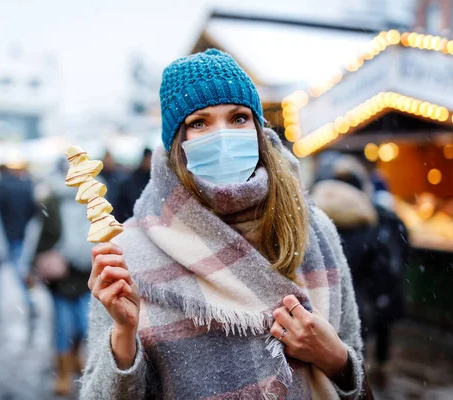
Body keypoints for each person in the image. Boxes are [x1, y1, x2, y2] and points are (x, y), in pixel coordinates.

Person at [80, 49, 365, 399]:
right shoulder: (128, 252)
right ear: (177, 142)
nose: (224, 135)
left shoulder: (314, 230)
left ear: (258, 128)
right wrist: (124, 336)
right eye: (199, 122)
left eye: (238, 118)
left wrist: (334, 357)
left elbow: (356, 374)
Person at [312, 157, 407, 376]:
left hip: (319, 304)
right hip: (358, 305)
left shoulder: (314, 220)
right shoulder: (368, 224)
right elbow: (380, 270)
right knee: (350, 365)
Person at [33, 161, 94, 396]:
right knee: (63, 329)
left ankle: (75, 360)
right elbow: (42, 235)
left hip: (87, 276)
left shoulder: (94, 202)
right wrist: (33, 266)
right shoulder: (52, 201)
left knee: (82, 326)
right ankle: (63, 374)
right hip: (61, 278)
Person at [0, 164, 37, 319]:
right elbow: (32, 211)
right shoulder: (24, 187)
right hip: (18, 236)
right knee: (20, 272)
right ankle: (29, 303)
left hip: (0, 237)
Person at [113, 148, 152, 223]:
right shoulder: (131, 182)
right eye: (149, 159)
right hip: (131, 222)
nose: (150, 163)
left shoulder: (151, 179)